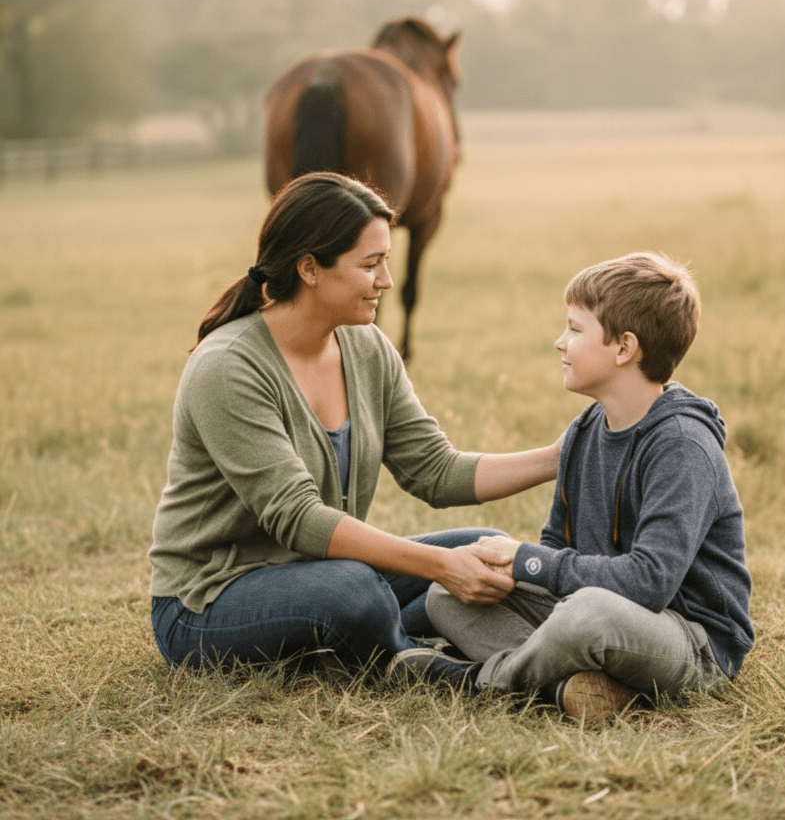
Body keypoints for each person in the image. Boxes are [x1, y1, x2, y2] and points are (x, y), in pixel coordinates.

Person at [148, 172, 563, 672]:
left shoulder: (366, 347)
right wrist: (440, 568)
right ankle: (447, 670)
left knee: (488, 551)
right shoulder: (229, 367)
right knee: (354, 591)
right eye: (371, 265)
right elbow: (297, 517)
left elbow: (434, 469)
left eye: (385, 262)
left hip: (322, 575)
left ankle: (430, 638)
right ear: (309, 268)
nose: (386, 281)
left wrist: (558, 457)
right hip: (206, 604)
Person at [388, 253, 754, 721]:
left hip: (692, 642)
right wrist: (514, 573)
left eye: (575, 330)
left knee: (588, 615)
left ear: (624, 348)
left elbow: (649, 584)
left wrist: (529, 561)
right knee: (450, 593)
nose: (559, 343)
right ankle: (570, 688)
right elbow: (555, 547)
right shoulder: (584, 431)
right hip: (593, 616)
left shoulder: (682, 446)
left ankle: (480, 681)